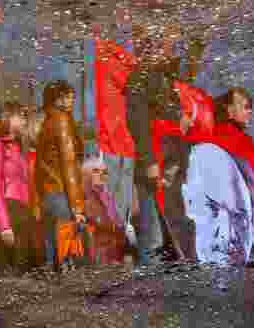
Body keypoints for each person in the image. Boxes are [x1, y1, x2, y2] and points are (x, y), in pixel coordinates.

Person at [124, 23, 193, 267]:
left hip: (171, 166)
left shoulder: (163, 78)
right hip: (155, 166)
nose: (172, 48)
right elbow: (137, 121)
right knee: (153, 236)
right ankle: (147, 291)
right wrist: (150, 161)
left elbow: (167, 112)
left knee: (171, 234)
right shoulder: (141, 77)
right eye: (167, 42)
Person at [0, 101, 38, 276]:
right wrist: (4, 226)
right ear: (8, 118)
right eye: (20, 116)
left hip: (22, 213)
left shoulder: (19, 149)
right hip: (6, 212)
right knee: (6, 272)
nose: (24, 121)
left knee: (22, 270)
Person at [34, 81, 86, 272]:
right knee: (66, 261)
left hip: (48, 196)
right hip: (62, 195)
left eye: (71, 96)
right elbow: (69, 165)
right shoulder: (63, 121)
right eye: (66, 96)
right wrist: (77, 206)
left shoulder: (46, 123)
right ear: (57, 100)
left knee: (52, 259)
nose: (71, 100)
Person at [81, 156, 128, 265]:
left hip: (115, 250)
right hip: (99, 253)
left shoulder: (107, 195)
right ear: (86, 175)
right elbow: (96, 221)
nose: (102, 175)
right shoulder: (85, 198)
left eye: (105, 172)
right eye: (96, 171)